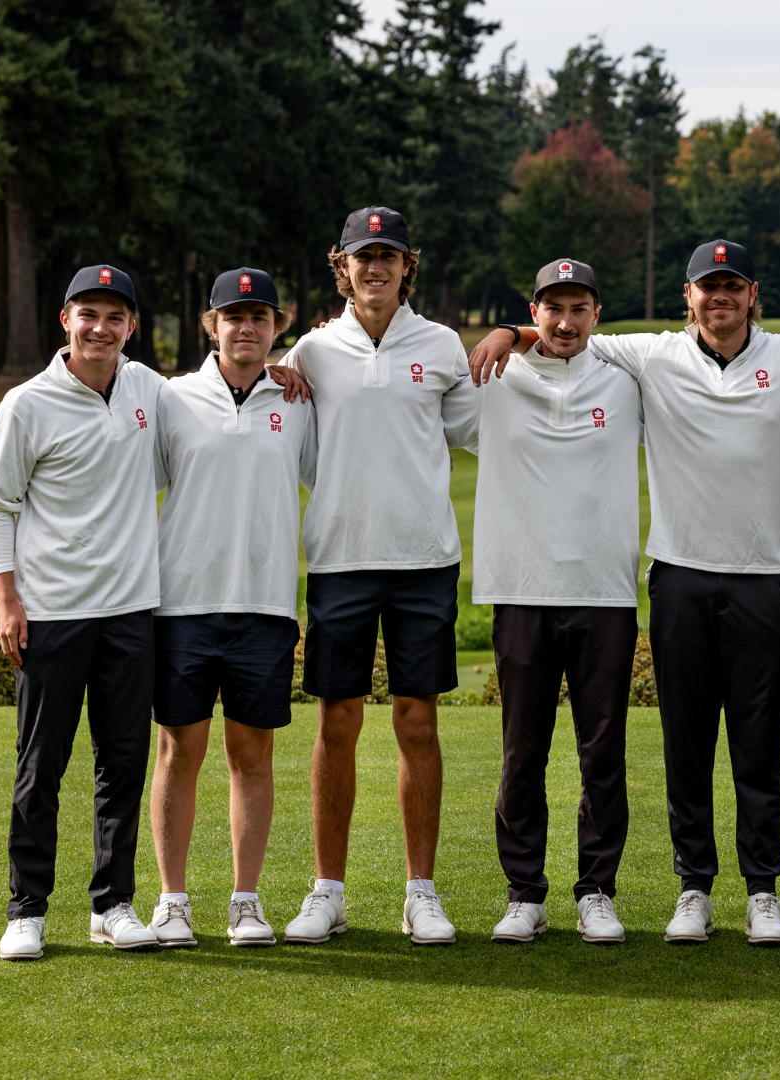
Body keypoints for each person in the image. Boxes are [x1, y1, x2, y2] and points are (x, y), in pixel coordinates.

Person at [471, 239, 780, 947]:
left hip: (762, 579)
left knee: (758, 749)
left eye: (733, 286)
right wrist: (505, 332)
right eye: (709, 287)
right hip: (678, 575)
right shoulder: (651, 356)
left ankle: (762, 889)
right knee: (686, 745)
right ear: (689, 297)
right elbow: (566, 329)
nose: (721, 298)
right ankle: (694, 887)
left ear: (753, 294)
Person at [279, 207, 478, 947]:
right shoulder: (312, 350)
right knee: (337, 722)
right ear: (343, 268)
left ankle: (419, 892)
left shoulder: (442, 345)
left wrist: (515, 335)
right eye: (364, 257)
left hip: (424, 557)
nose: (376, 268)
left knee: (417, 722)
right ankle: (327, 890)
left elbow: (475, 428)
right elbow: (296, 448)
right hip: (339, 557)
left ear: (406, 267)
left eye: (389, 256)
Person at [0, 264, 167, 961]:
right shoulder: (26, 404)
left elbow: (217, 403)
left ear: (130, 327)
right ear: (65, 320)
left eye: (115, 317)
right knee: (42, 767)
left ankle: (113, 903)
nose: (101, 328)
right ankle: (26, 908)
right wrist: (8, 599)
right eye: (88, 314)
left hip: (130, 611)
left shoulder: (149, 389)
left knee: (122, 764)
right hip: (52, 613)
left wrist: (274, 366)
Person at [472, 259, 638, 946]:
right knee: (523, 751)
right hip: (521, 588)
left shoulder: (628, 380)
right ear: (531, 311)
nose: (564, 322)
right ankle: (525, 894)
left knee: (602, 751)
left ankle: (596, 891)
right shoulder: (493, 377)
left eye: (578, 308)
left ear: (597, 313)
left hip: (604, 591)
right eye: (551, 308)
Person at [146, 269, 313, 949]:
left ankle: (246, 902)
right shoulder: (171, 400)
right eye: (233, 316)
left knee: (252, 754)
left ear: (279, 325)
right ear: (210, 324)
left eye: (260, 316)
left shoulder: (300, 399)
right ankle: (172, 900)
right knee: (178, 750)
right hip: (182, 604)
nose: (246, 327)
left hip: (265, 605)